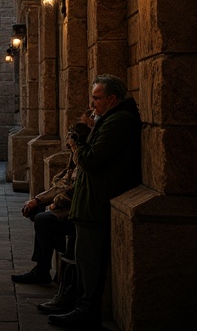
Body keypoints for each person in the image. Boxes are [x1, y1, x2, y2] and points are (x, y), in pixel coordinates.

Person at [49, 75, 142, 330]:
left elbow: (91, 161)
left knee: (90, 263)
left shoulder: (118, 122)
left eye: (97, 98)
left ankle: (86, 310)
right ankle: (74, 302)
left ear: (112, 99)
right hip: (89, 202)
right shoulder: (109, 120)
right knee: (80, 256)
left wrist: (77, 143)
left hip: (96, 203)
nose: (92, 103)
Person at [12, 122, 91, 286]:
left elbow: (73, 190)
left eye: (71, 145)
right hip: (67, 204)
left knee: (42, 220)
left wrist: (53, 204)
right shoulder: (75, 157)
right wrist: (38, 200)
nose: (69, 149)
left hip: (77, 210)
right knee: (36, 211)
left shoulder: (84, 160)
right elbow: (61, 183)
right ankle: (55, 245)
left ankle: (42, 268)